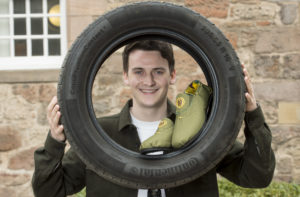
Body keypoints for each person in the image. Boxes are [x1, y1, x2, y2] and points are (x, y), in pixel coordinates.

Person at [32, 40, 275, 197]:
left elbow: (256, 177)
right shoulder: (99, 133)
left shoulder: (201, 131)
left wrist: (252, 116)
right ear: (126, 76)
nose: (148, 81)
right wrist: (55, 141)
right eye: (139, 72)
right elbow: (48, 191)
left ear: (172, 75)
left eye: (158, 71)